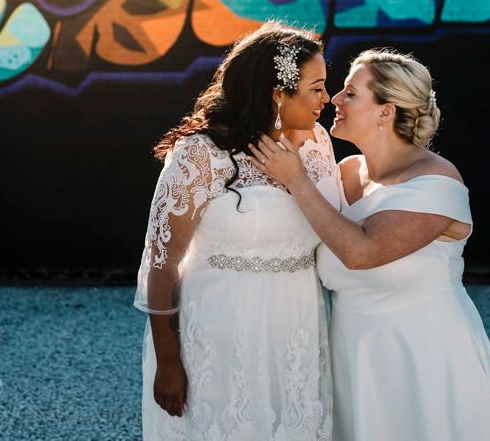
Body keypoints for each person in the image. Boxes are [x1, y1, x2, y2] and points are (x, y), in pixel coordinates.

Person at [250, 49, 490, 441]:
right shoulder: (345, 175)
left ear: (385, 111)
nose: (334, 101)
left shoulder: (439, 182)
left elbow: (362, 252)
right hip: (353, 356)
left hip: (423, 359)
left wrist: (298, 181)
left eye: (350, 93)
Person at [133, 22, 339, 440]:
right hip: (222, 325)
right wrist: (168, 361)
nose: (327, 98)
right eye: (316, 87)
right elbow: (162, 263)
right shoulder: (200, 155)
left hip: (298, 321)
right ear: (278, 93)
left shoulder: (318, 142)